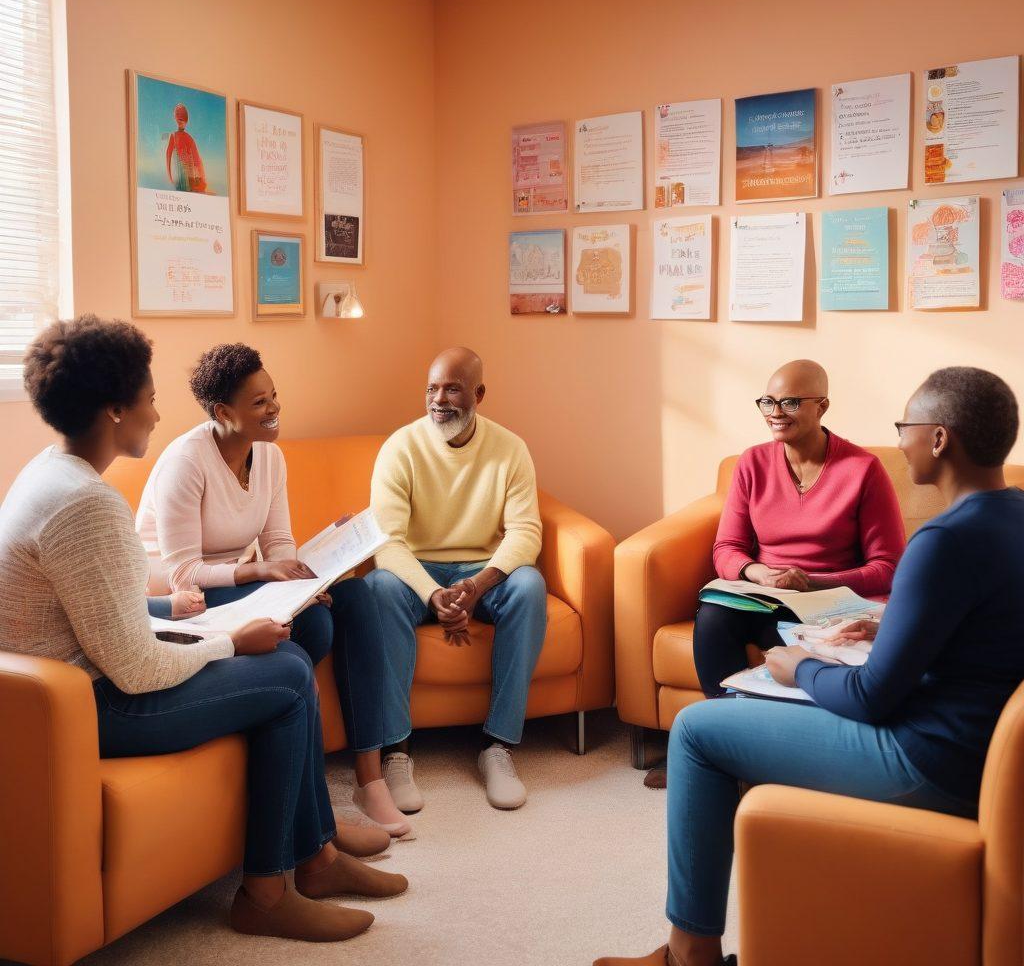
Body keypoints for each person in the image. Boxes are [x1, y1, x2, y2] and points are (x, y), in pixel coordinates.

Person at [595, 366, 1024, 966]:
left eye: (906, 426)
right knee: (723, 637)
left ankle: (688, 954)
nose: (899, 440)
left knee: (695, 732)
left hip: (928, 756)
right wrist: (890, 627)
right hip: (978, 748)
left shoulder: (943, 540)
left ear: (940, 439)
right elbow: (985, 629)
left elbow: (871, 697)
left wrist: (797, 668)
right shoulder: (1014, 516)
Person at [0, 316, 408, 943]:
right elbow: (135, 670)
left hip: (80, 676)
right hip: (90, 702)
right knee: (290, 675)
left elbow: (96, 614)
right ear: (114, 410)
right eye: (149, 399)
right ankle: (271, 893)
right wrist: (227, 640)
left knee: (298, 649)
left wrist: (173, 615)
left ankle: (316, 857)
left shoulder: (49, 473)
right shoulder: (89, 505)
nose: (157, 415)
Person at [135, 343, 412, 840]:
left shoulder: (270, 457)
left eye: (274, 396)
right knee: (310, 628)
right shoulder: (186, 461)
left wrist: (312, 575)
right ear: (223, 412)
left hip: (243, 583)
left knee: (351, 599)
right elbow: (182, 574)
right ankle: (305, 790)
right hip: (183, 600)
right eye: (259, 402)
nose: (274, 408)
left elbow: (279, 543)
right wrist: (259, 574)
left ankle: (370, 778)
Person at [366, 347, 546, 812]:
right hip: (417, 571)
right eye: (432, 388)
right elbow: (386, 543)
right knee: (378, 588)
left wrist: (478, 586)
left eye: (452, 388)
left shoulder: (510, 448)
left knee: (528, 585)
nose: (439, 399)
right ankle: (396, 751)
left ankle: (498, 746)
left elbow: (526, 531)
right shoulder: (400, 448)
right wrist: (433, 592)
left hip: (480, 571)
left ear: (479, 394)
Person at [693, 359, 905, 698]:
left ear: (822, 407)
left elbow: (888, 568)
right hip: (766, 597)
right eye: (768, 402)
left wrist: (814, 582)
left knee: (797, 650)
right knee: (714, 615)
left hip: (830, 603)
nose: (775, 412)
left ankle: (781, 734)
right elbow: (726, 548)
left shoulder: (863, 469)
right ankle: (723, 721)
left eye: (790, 402)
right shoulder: (752, 463)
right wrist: (757, 572)